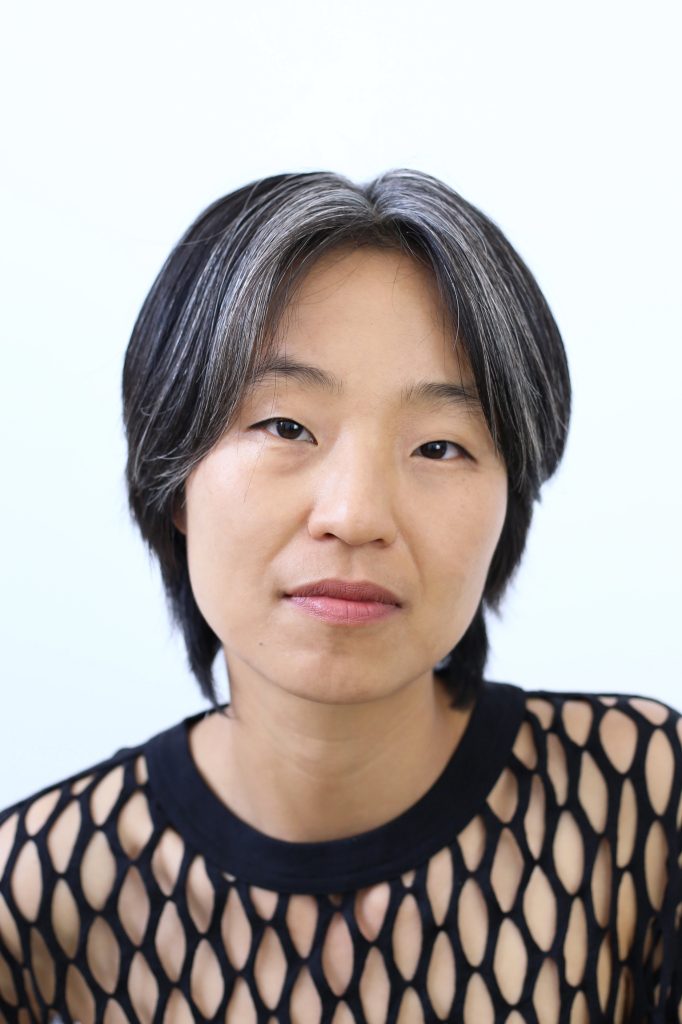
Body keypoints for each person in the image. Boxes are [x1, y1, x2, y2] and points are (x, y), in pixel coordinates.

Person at [0, 169, 679, 1024]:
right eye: (285, 427)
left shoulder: (643, 809)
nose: (355, 515)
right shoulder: (36, 899)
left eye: (439, 447)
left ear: (512, 500)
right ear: (175, 480)